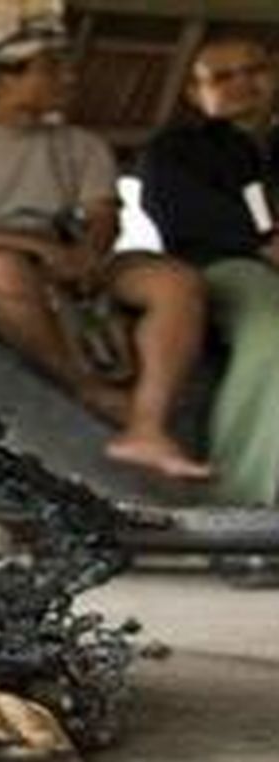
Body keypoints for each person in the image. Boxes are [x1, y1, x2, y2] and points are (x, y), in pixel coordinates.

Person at [0, 16, 211, 480]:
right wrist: (39, 247)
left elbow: (103, 215)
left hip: (76, 251)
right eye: (50, 68)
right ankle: (86, 388)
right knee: (3, 270)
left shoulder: (83, 144)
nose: (68, 77)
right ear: (0, 80)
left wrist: (86, 254)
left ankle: (147, 424)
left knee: (176, 283)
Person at [139, 37, 279, 506]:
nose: (242, 83)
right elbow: (181, 214)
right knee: (272, 336)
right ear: (195, 93)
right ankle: (245, 500)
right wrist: (260, 244)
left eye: (254, 70)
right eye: (222, 77)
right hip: (225, 268)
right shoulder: (176, 150)